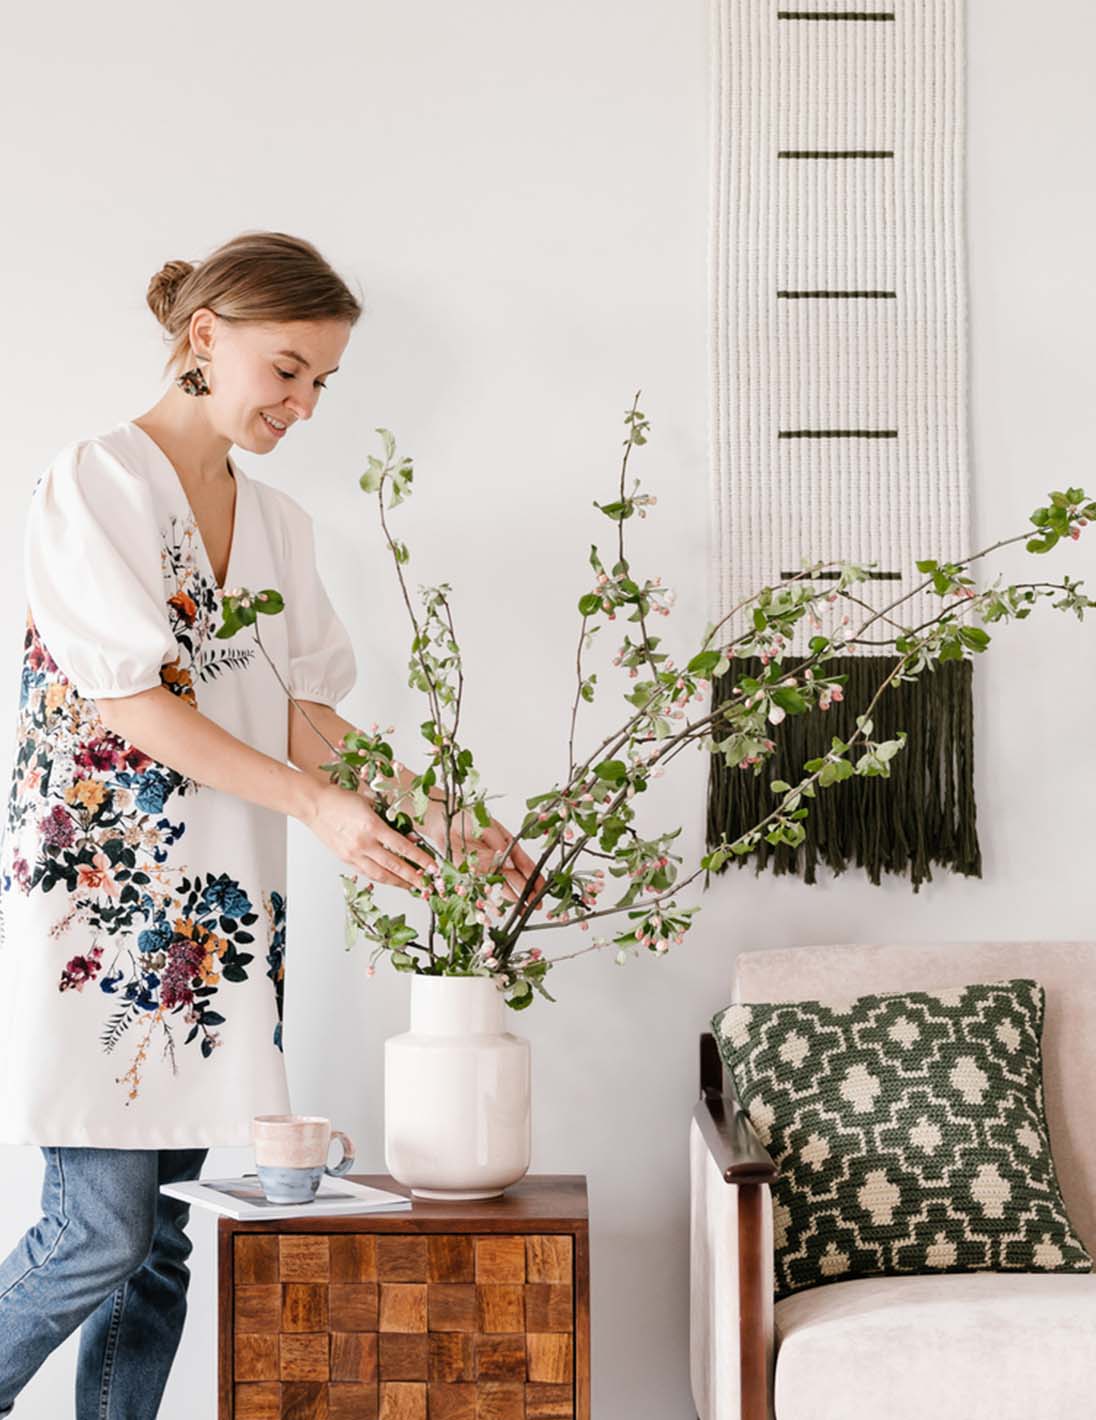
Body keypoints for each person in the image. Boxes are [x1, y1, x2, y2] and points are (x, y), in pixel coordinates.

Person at [0, 229, 546, 1419]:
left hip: (217, 919)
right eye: (288, 369)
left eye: (321, 383)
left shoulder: (281, 525)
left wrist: (438, 816)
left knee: (161, 1251)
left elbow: (304, 718)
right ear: (207, 337)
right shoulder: (96, 481)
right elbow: (130, 702)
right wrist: (318, 808)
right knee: (95, 1233)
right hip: (101, 916)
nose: (303, 402)